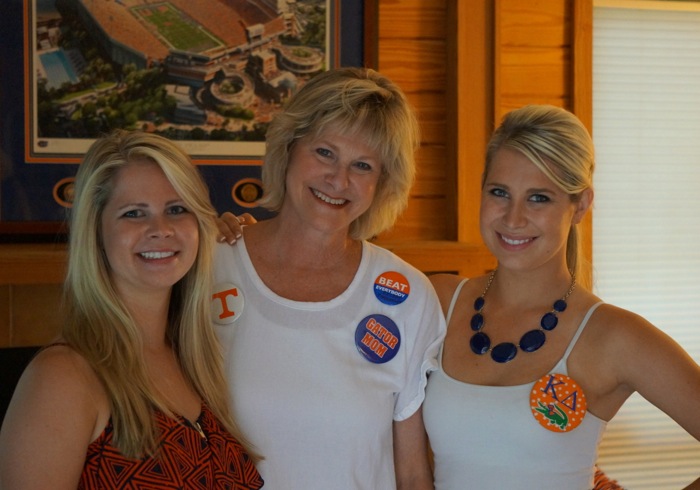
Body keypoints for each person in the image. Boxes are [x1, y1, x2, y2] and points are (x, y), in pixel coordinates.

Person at [422, 104, 700, 489]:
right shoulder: (438, 300)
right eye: (500, 192)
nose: (513, 218)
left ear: (581, 205)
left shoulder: (614, 336)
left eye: (539, 198)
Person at [210, 67, 446, 489]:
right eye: (324, 153)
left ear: (382, 183)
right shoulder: (209, 267)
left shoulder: (407, 295)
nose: (339, 180)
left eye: (362, 165)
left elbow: (411, 473)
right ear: (288, 147)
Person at [0, 130, 264, 489]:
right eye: (133, 213)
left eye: (177, 209)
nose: (161, 229)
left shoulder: (198, 362)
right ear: (96, 232)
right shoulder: (63, 378)